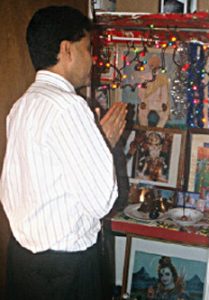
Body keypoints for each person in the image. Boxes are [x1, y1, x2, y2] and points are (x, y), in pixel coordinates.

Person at [0, 5, 127, 300]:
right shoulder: (69, 106)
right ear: (66, 49)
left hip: (23, 262)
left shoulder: (22, 105)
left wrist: (97, 143)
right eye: (88, 48)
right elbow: (102, 201)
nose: (92, 60)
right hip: (65, 272)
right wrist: (104, 146)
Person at [137, 55, 171, 128]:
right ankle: (145, 131)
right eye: (152, 65)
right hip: (147, 101)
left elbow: (164, 92)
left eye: (155, 65)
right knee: (141, 113)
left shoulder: (162, 78)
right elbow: (141, 90)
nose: (154, 67)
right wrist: (142, 101)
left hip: (158, 102)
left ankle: (157, 131)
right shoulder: (145, 77)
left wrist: (164, 103)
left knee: (166, 113)